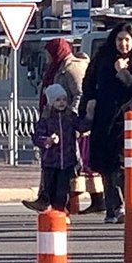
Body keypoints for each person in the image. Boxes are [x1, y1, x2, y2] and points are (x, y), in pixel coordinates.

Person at [81, 22, 132, 224]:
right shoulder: (103, 58)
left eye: (127, 40)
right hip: (104, 118)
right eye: (120, 39)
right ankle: (112, 208)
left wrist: (123, 73)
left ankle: (127, 206)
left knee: (122, 165)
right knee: (105, 165)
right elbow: (88, 83)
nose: (123, 44)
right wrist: (90, 101)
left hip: (127, 122)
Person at [29, 37, 87, 211]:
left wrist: (73, 113)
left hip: (66, 123)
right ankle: (46, 199)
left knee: (64, 178)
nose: (47, 58)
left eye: (48, 53)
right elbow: (37, 136)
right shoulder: (56, 67)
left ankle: (57, 206)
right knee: (50, 172)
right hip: (52, 122)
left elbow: (79, 93)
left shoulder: (70, 68)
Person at [29, 84, 84, 213]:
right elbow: (37, 137)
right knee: (49, 187)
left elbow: (81, 126)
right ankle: (50, 208)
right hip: (50, 161)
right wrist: (46, 140)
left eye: (64, 100)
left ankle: (60, 211)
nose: (61, 103)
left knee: (62, 190)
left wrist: (89, 117)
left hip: (67, 161)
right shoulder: (46, 119)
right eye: (58, 100)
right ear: (51, 102)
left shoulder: (70, 116)